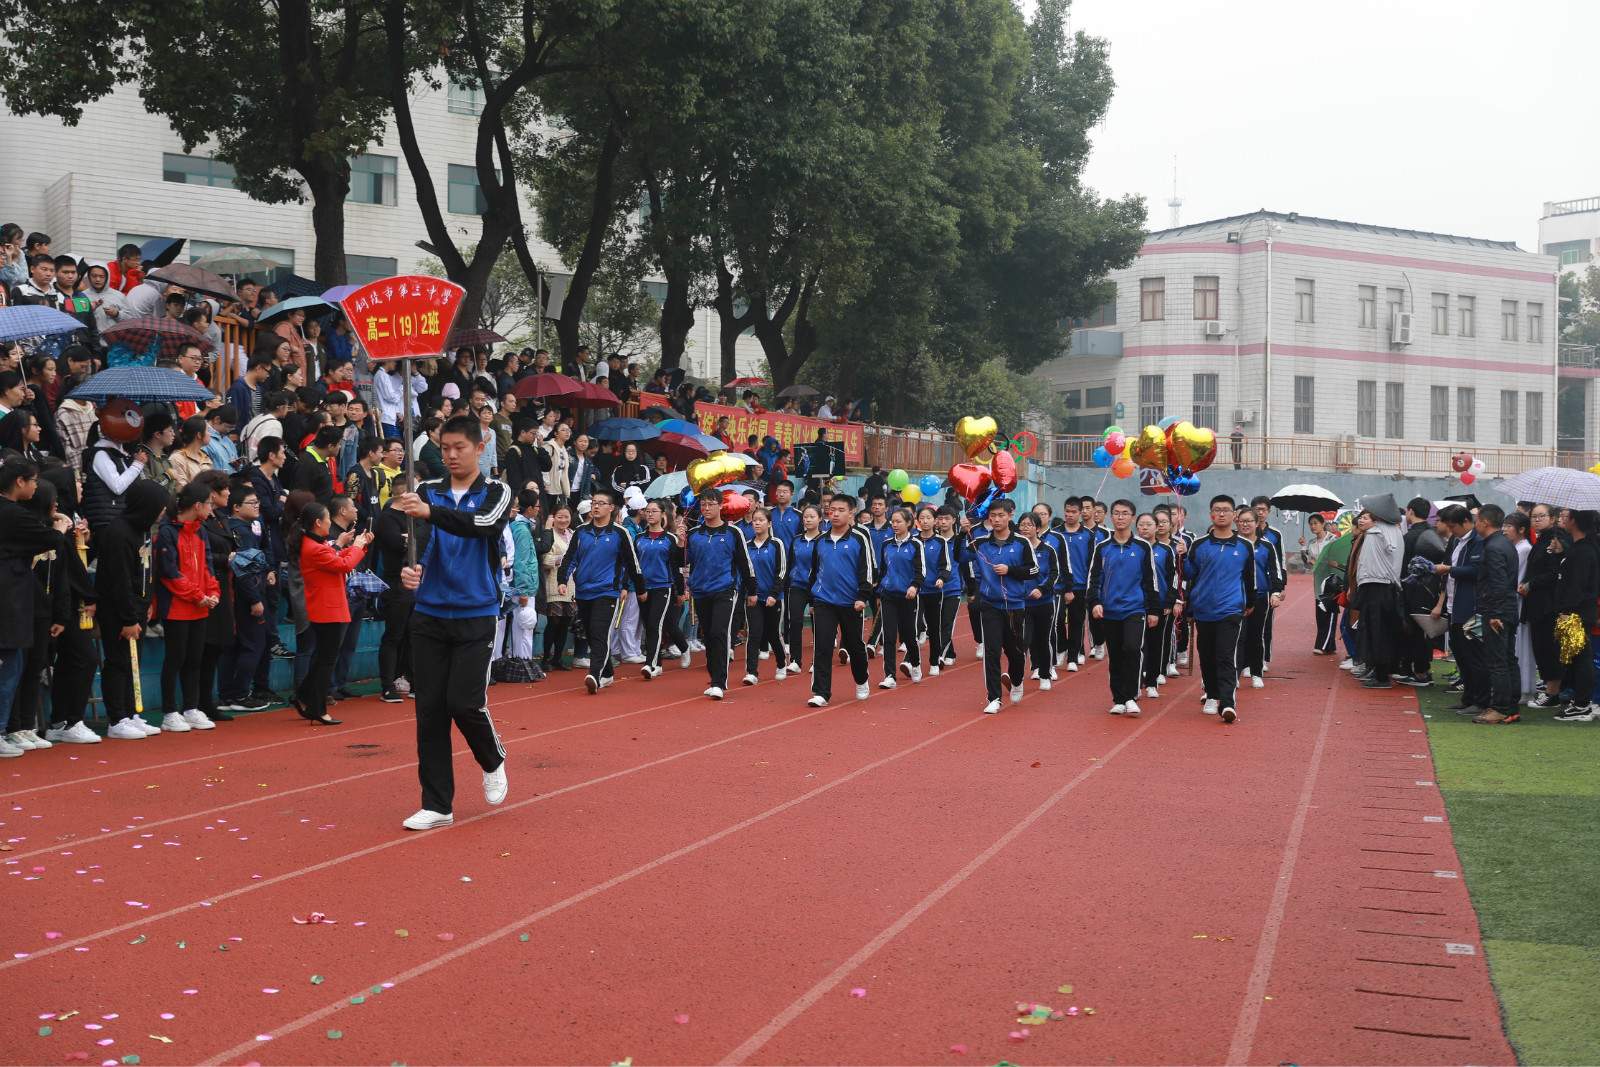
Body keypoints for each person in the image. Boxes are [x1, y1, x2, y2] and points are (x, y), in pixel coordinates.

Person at [393, 413, 513, 831]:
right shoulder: (427, 490)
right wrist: (413, 570)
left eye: (459, 447)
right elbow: (420, 542)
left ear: (480, 447)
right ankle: (437, 804)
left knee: (464, 702)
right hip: (428, 614)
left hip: (476, 613)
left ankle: (492, 758)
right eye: (444, 448)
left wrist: (430, 512)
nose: (451, 455)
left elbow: (483, 525)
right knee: (429, 711)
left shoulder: (496, 491)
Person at [96, 480, 170, 739]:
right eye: (159, 506)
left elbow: (146, 570)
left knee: (132, 663)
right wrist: (128, 618)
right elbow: (119, 581)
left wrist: (147, 605)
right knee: (118, 662)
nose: (163, 511)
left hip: (137, 607)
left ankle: (130, 714)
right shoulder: (119, 533)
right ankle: (116, 720)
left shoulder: (144, 528)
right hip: (118, 610)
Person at [557, 487, 645, 694]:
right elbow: (570, 557)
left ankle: (595, 675)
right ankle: (607, 672)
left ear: (611, 508)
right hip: (583, 591)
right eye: (594, 503)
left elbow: (632, 563)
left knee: (599, 632)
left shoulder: (620, 533)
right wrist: (562, 580)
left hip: (607, 591)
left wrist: (638, 588)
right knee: (590, 632)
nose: (596, 506)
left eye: (601, 503)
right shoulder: (581, 531)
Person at [153, 480, 222, 734]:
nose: (211, 508)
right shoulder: (167, 533)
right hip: (177, 607)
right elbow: (169, 573)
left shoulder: (200, 530)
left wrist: (212, 592)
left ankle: (191, 709)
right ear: (197, 505)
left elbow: (207, 567)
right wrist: (197, 595)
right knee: (175, 659)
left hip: (199, 605)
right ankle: (169, 713)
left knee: (195, 659)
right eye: (209, 503)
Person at [1184, 495, 1256, 722]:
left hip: (1231, 609)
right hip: (1204, 609)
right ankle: (1212, 694)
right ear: (1211, 514)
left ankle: (1227, 703)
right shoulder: (1199, 545)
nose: (1221, 513)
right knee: (1207, 656)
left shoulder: (1245, 546)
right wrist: (1181, 557)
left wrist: (1250, 602)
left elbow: (1250, 577)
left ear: (1234, 515)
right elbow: (1189, 575)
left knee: (1226, 656)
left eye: (1226, 510)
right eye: (1217, 510)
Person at [1086, 500, 1160, 715]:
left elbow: (1150, 580)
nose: (1120, 517)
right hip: (1109, 610)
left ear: (1133, 518)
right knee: (1116, 654)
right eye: (1116, 513)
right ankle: (1118, 698)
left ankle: (1131, 695)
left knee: (1132, 648)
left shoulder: (1142, 547)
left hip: (1135, 608)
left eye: (1125, 513)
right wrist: (1095, 602)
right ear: (1111, 517)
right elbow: (1094, 578)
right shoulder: (1102, 548)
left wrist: (1153, 609)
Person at [683, 491, 756, 699]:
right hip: (700, 590)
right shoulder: (693, 533)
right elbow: (682, 561)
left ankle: (719, 682)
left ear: (721, 506)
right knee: (708, 635)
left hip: (725, 589)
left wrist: (752, 590)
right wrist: (680, 543)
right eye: (703, 504)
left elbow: (745, 562)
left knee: (719, 632)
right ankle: (713, 676)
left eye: (711, 504)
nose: (706, 508)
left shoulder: (733, 533)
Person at [805, 493, 875, 707]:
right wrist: (812, 600)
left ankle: (861, 679)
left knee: (854, 645)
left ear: (852, 512)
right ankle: (821, 692)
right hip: (824, 600)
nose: (835, 514)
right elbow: (814, 571)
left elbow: (867, 570)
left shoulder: (859, 539)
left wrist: (863, 596)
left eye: (841, 510)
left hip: (851, 602)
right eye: (832, 510)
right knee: (823, 645)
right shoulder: (820, 540)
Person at [217, 479, 275, 714]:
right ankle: (240, 694)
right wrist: (255, 599)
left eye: (258, 501)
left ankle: (227, 696)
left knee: (232, 647)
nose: (257, 506)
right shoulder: (242, 530)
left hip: (234, 595)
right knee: (254, 645)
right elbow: (245, 570)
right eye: (251, 502)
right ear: (236, 507)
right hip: (246, 595)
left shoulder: (230, 527)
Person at [374, 470, 429, 701]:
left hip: (418, 584)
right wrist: (408, 540)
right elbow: (400, 544)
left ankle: (414, 681)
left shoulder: (418, 517)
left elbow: (424, 541)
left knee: (414, 635)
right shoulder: (387, 518)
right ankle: (388, 685)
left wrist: (409, 539)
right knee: (394, 635)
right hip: (395, 583)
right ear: (404, 492)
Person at [1551, 510, 1600, 722]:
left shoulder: (1584, 550)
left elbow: (1578, 584)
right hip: (1580, 610)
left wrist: (1568, 611)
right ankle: (1582, 703)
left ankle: (1582, 704)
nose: (1562, 520)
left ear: (1574, 521)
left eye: (1565, 517)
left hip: (1578, 612)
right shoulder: (1582, 547)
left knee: (1582, 658)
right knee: (1580, 658)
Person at [1352, 493, 1404, 691]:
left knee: (1376, 632)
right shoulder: (1393, 530)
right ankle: (1382, 671)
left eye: (1369, 514)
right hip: (1386, 587)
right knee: (1384, 631)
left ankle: (1381, 676)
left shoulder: (1377, 532)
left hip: (1377, 587)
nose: (1363, 519)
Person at [1522, 504, 1569, 710]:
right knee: (1542, 647)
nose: (1537, 520)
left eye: (1542, 516)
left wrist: (1530, 585)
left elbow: (1554, 573)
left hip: (1550, 603)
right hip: (1538, 601)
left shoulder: (1557, 539)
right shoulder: (1542, 539)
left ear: (1553, 518)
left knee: (1548, 648)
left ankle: (1553, 693)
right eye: (1534, 516)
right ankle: (1552, 690)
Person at [742, 508, 790, 685]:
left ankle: (781, 663)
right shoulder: (747, 545)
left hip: (773, 598)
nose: (756, 523)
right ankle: (751, 672)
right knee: (754, 633)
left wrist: (774, 594)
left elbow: (782, 571)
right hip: (753, 597)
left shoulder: (777, 544)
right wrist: (749, 592)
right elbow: (744, 572)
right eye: (754, 520)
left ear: (769, 524)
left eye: (761, 520)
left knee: (773, 634)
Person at [1014, 512, 1059, 692]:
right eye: (1022, 525)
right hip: (1021, 603)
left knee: (1043, 640)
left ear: (1038, 528)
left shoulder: (1048, 550)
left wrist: (1042, 589)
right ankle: (1017, 678)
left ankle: (1045, 674)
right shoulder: (1016, 549)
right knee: (1022, 642)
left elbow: (1054, 574)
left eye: (1029, 525)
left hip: (1044, 603)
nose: (1025, 528)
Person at [1140, 511, 1180, 697]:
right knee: (1137, 645)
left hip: (1160, 604)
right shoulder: (1134, 548)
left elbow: (1173, 577)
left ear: (1156, 528)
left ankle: (1152, 681)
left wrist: (1170, 601)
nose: (1145, 528)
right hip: (1137, 604)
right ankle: (1138, 678)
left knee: (1156, 643)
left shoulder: (1166, 550)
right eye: (1141, 524)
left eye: (1149, 524)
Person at [784, 504, 823, 676]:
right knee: (795, 622)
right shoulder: (796, 540)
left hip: (817, 587)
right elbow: (790, 563)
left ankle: (817, 661)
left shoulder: (824, 539)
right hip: (797, 585)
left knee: (817, 625)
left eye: (812, 517)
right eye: (805, 517)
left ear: (820, 519)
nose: (808, 520)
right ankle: (795, 661)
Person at [915, 505, 955, 676]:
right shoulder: (913, 541)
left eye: (928, 518)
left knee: (934, 627)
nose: (925, 521)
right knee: (913, 626)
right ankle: (912, 661)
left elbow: (946, 566)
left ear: (935, 521)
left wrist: (942, 579)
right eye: (922, 518)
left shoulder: (940, 542)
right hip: (915, 591)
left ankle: (934, 661)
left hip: (933, 590)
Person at [539, 503, 577, 671]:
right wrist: (562, 559)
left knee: (565, 622)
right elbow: (544, 559)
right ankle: (546, 658)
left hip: (571, 586)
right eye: (559, 517)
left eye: (566, 517)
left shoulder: (573, 534)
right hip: (553, 583)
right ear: (553, 518)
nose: (563, 520)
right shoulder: (548, 534)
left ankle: (558, 658)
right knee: (553, 621)